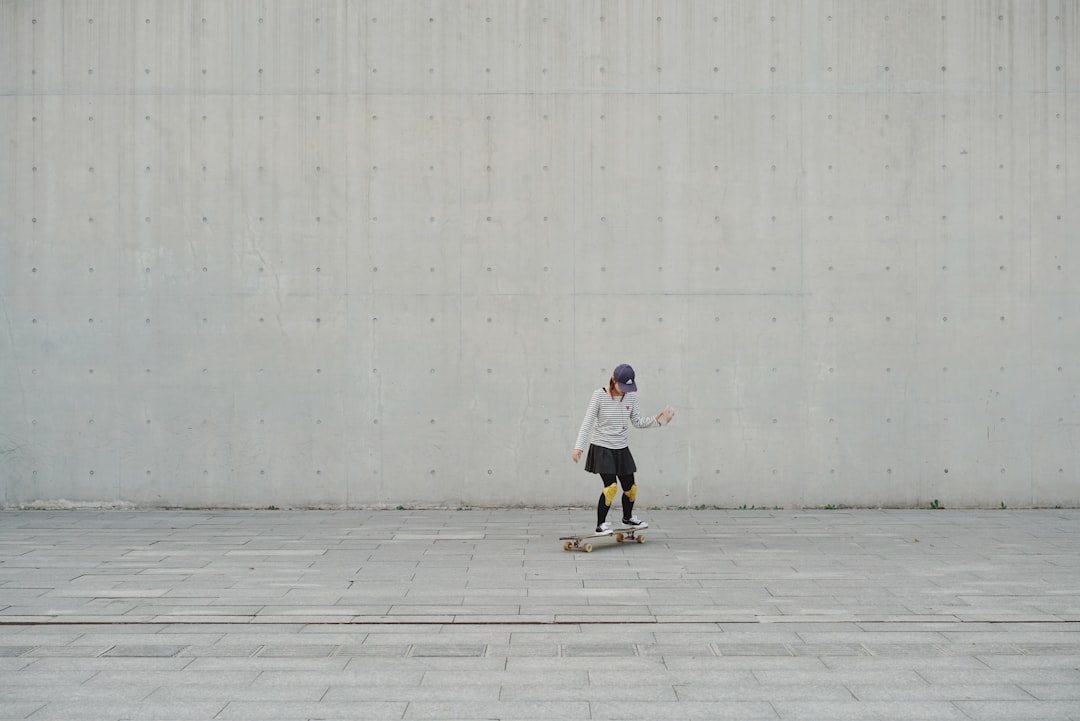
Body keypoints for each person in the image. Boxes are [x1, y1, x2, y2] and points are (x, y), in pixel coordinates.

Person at [572, 364, 674, 534]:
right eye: (622, 387)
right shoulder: (599, 396)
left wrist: (657, 420)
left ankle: (628, 518)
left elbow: (637, 421)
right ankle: (601, 525)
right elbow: (587, 423)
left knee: (631, 488)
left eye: (629, 388)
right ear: (613, 380)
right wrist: (578, 448)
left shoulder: (631, 397)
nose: (625, 391)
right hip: (602, 447)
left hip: (621, 448)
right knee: (611, 487)